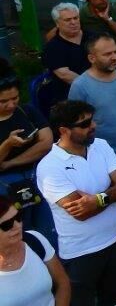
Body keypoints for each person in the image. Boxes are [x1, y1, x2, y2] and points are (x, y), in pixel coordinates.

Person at [37, 100, 116, 306]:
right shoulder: (49, 167)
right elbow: (81, 212)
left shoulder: (101, 145)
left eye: (92, 120)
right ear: (63, 130)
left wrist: (98, 199)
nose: (93, 126)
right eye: (84, 124)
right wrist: (112, 192)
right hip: (81, 253)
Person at [68, 34, 116, 199]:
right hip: (108, 157)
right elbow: (76, 125)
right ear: (92, 58)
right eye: (107, 54)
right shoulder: (80, 86)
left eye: (115, 52)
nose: (114, 57)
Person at [0, 69, 56, 244]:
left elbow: (46, 142)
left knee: (47, 230)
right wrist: (7, 145)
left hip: (35, 176)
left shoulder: (26, 111)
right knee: (19, 232)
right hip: (6, 186)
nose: (11, 104)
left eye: (15, 98)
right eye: (3, 101)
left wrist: (10, 162)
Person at [0, 193, 71, 306]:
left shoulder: (35, 239)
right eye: (7, 225)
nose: (17, 226)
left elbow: (63, 283)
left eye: (18, 217)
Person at [40, 3, 89, 112]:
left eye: (76, 18)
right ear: (57, 23)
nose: (73, 22)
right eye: (67, 20)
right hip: (69, 99)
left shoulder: (94, 37)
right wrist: (95, 86)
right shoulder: (53, 47)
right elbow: (65, 75)